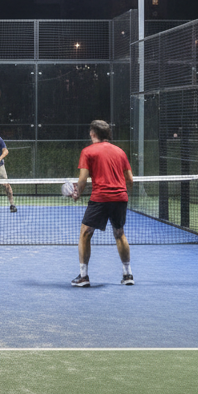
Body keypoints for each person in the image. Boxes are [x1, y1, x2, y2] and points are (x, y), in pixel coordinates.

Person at [70, 118, 134, 286]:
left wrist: (77, 193)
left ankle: (83, 276)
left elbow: (83, 179)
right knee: (119, 233)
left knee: (85, 233)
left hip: (100, 198)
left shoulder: (87, 152)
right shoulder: (120, 152)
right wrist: (122, 193)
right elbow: (130, 179)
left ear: (92, 134)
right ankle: (128, 275)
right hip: (120, 198)